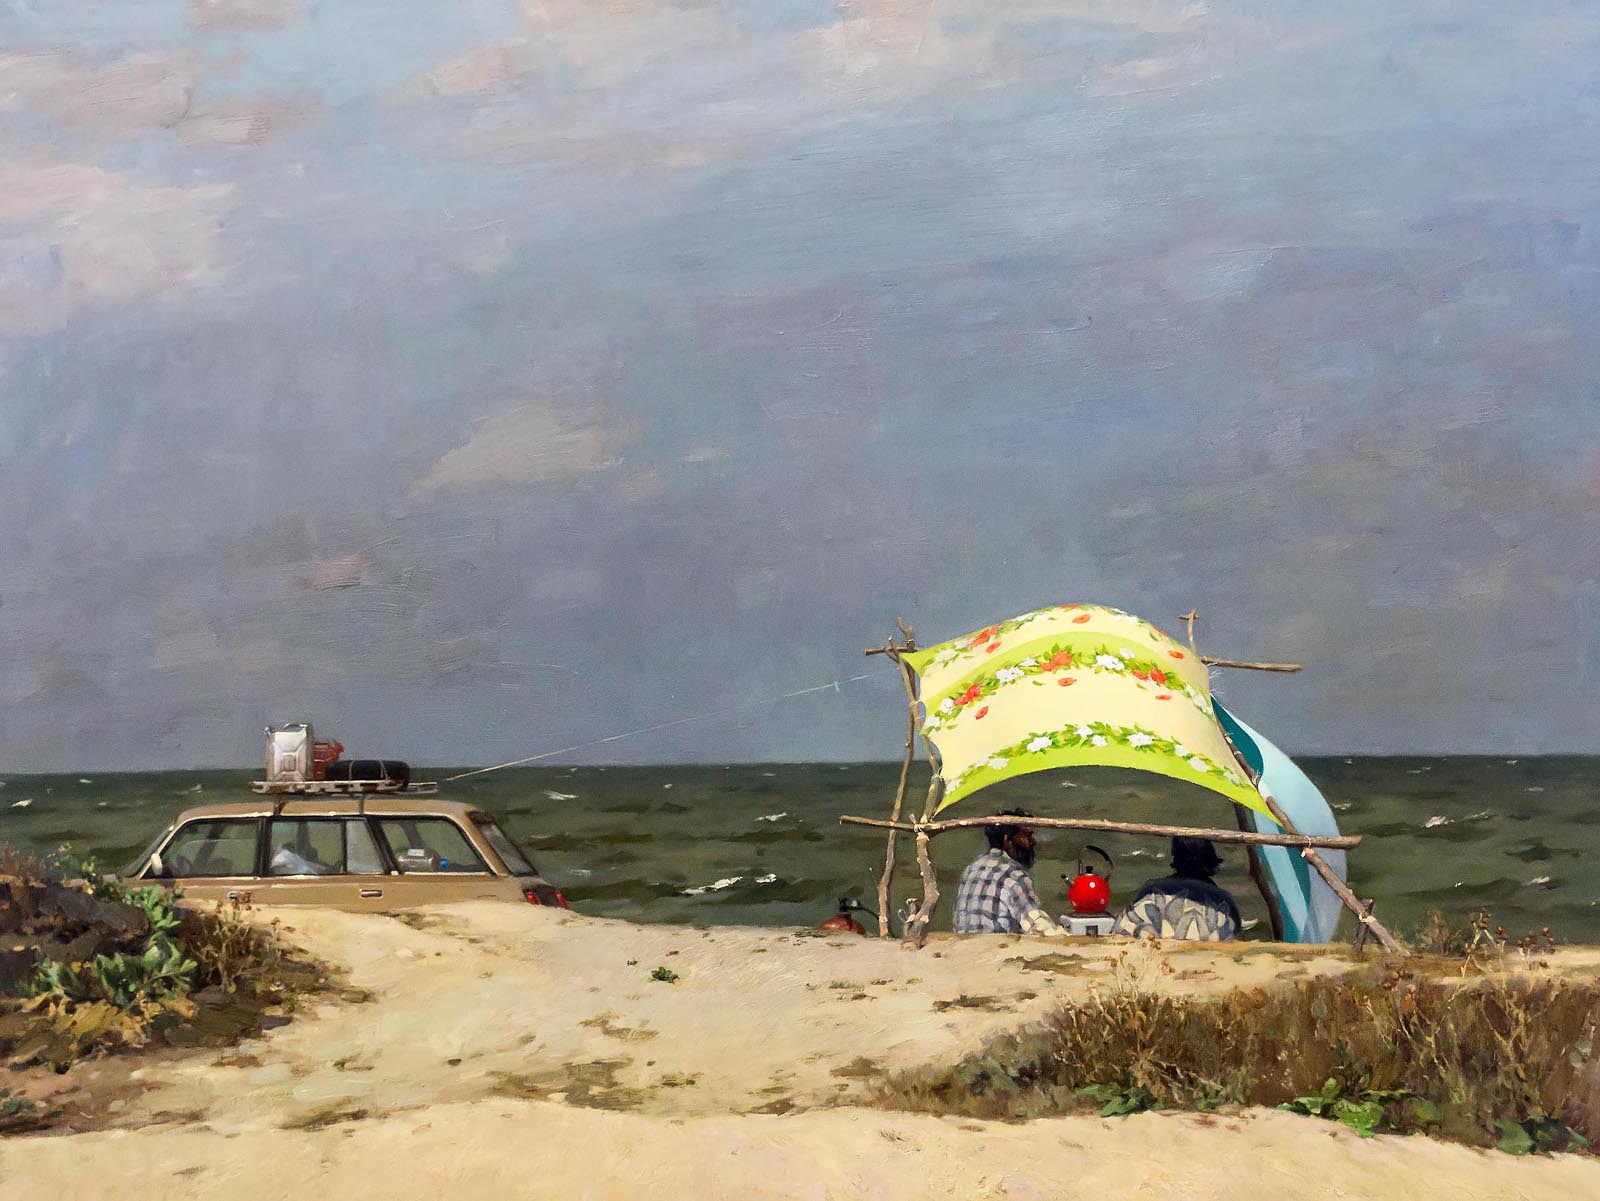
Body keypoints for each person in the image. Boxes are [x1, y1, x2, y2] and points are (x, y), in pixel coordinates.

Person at [952, 808, 1063, 935]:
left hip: (964, 944)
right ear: (1007, 840)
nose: (1033, 841)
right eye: (1027, 836)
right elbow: (1039, 927)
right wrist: (1064, 934)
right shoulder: (1013, 874)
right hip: (995, 946)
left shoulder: (972, 868)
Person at [1110, 835, 1242, 941]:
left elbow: (1120, 929)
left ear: (1174, 857)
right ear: (1211, 861)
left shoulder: (1150, 891)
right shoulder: (1223, 900)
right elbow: (1234, 933)